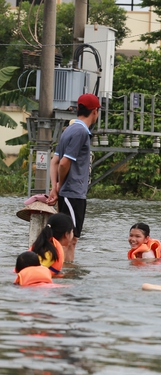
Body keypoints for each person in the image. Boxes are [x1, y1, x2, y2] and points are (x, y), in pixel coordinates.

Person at [47, 93, 101, 262]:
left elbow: (54, 161)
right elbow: (63, 163)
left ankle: (66, 271)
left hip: (69, 192)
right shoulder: (80, 132)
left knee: (69, 238)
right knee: (69, 239)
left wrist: (55, 186)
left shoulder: (69, 129)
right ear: (95, 111)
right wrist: (59, 186)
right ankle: (66, 273)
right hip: (73, 192)